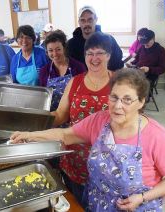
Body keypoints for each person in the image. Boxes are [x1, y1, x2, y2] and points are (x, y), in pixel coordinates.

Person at [11, 68, 165, 212]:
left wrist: (142, 197)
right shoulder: (99, 121)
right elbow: (65, 135)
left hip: (137, 207)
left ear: (141, 102)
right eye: (114, 97)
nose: (118, 106)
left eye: (127, 100)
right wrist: (29, 135)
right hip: (98, 205)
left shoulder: (157, 136)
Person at [44, 32, 113, 208]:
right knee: (77, 206)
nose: (94, 58)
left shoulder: (118, 82)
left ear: (109, 55)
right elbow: (60, 116)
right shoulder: (75, 82)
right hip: (75, 162)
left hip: (108, 165)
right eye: (90, 53)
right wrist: (33, 122)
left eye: (100, 53)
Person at [39, 30, 87, 112]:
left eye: (58, 49)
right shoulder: (44, 71)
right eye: (50, 50)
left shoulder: (78, 67)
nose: (54, 53)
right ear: (47, 52)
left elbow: (85, 94)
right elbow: (43, 98)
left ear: (64, 48)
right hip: (53, 117)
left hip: (74, 114)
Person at [67, 6, 124, 71]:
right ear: (79, 22)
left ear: (96, 20)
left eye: (90, 19)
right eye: (83, 20)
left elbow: (118, 64)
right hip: (80, 80)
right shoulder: (70, 45)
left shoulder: (109, 41)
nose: (86, 24)